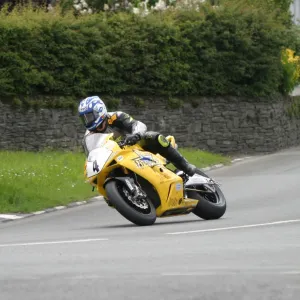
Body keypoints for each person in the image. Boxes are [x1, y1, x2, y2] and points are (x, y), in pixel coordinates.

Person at [78, 95, 197, 176]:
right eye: (84, 119)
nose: (87, 121)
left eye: (89, 117)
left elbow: (138, 124)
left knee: (153, 137)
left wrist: (136, 135)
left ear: (99, 111)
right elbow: (92, 158)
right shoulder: (88, 138)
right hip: (116, 160)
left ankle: (185, 166)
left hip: (135, 148)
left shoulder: (115, 117)